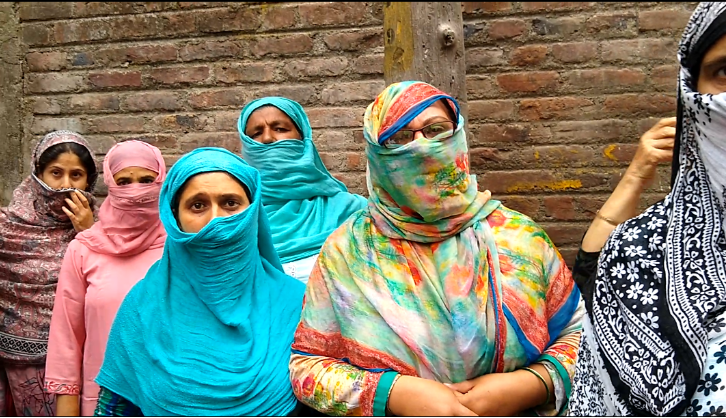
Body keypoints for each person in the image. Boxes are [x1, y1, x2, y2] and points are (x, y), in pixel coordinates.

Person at [289, 81, 584, 416]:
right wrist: (392, 393)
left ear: (457, 135)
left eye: (435, 130)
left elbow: (583, 335)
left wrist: (534, 384)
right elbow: (307, 367)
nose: (421, 147)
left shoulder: (519, 237)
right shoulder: (348, 251)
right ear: (376, 152)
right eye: (400, 137)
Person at [568, 3, 726, 416]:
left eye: (438, 133)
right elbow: (588, 275)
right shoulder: (643, 250)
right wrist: (638, 171)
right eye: (725, 73)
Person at [93, 147, 307, 416]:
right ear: (175, 218)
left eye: (230, 203)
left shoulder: (298, 304)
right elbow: (115, 409)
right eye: (197, 205)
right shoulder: (142, 306)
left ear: (252, 212)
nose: (215, 220)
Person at [43, 140, 167, 416]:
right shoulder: (84, 249)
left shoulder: (179, 246)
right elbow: (67, 337)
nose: (135, 191)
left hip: (168, 400)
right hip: (102, 402)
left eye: (147, 180)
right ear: (109, 184)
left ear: (162, 182)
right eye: (124, 181)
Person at [0, 130, 98, 416]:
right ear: (38, 175)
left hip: (73, 365)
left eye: (76, 175)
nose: (64, 185)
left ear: (89, 181)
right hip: (2, 364)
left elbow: (106, 286)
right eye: (56, 173)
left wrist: (89, 233)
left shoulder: (102, 232)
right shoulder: (2, 227)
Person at [237, 97, 367, 283]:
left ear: (302, 137)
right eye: (255, 133)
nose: (267, 138)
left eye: (280, 129)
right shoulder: (239, 220)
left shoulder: (353, 211)